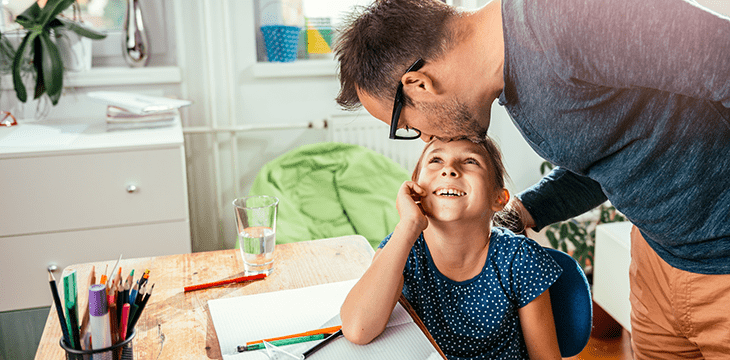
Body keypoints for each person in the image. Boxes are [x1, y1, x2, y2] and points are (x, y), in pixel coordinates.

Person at [334, 0, 730, 358]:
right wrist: (522, 211)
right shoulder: (515, 87)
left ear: (418, 84)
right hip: (657, 258)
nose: (423, 138)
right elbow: (610, 159)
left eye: (404, 123)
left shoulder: (562, 20)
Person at [341, 136, 563, 359]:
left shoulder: (520, 259)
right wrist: (408, 225)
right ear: (415, 190)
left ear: (499, 198)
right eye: (436, 160)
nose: (449, 170)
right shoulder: (402, 247)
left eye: (470, 161)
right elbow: (357, 329)